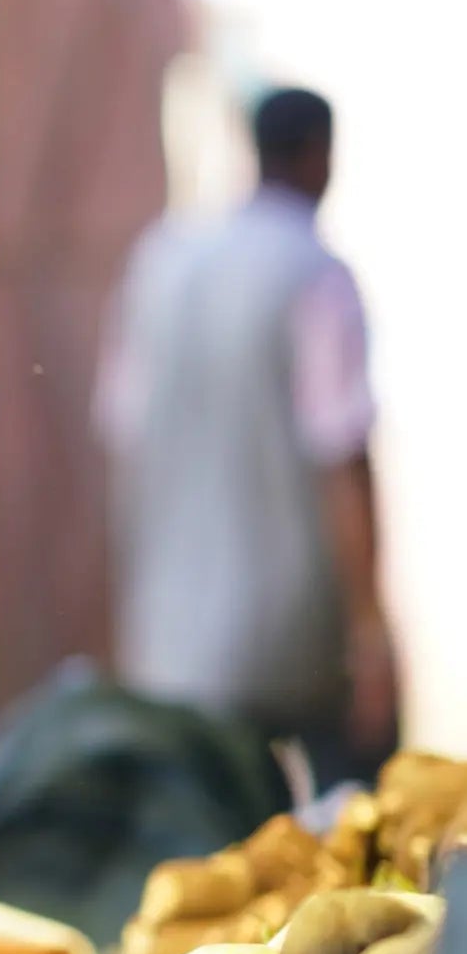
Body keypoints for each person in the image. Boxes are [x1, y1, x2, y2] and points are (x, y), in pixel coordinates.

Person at [98, 83, 395, 797]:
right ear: (318, 156)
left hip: (172, 641)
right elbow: (342, 459)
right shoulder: (311, 273)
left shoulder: (160, 263)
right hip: (288, 646)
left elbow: (121, 441)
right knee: (355, 834)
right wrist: (369, 632)